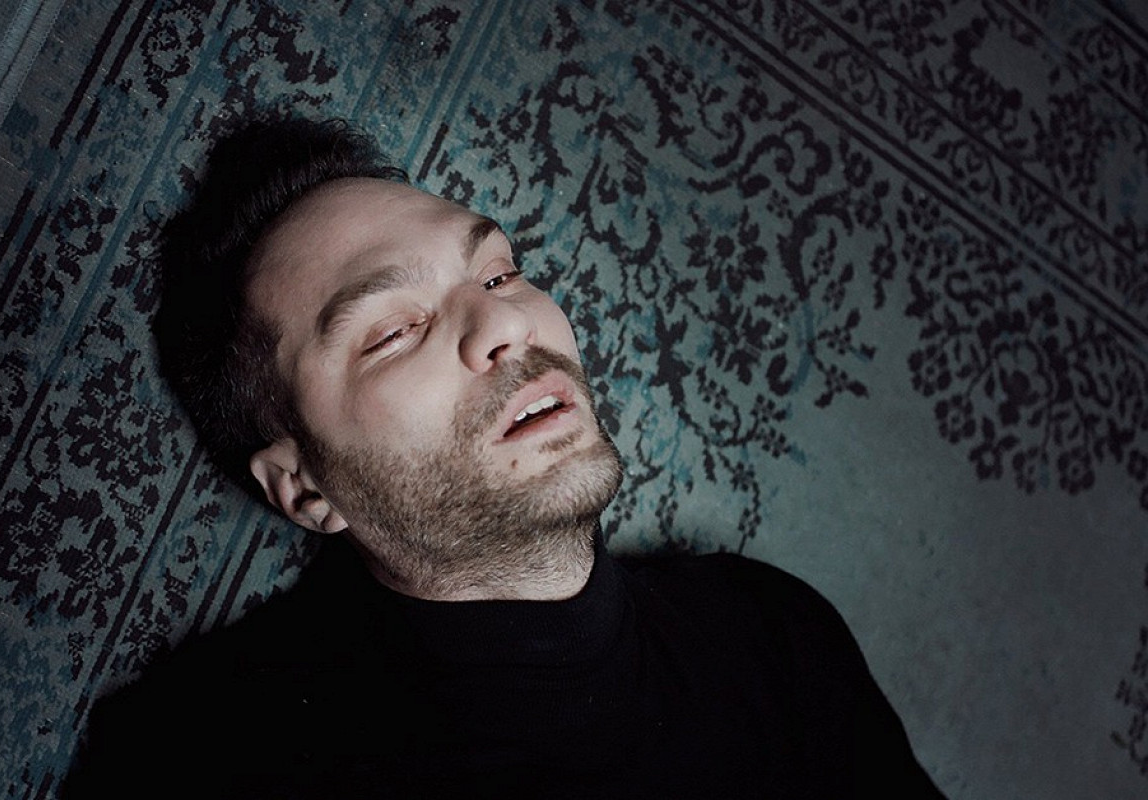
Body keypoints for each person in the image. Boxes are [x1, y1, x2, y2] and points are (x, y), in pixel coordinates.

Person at [61, 116, 946, 798]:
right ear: (304, 487)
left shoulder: (772, 635)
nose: (506, 324)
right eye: (394, 332)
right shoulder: (200, 764)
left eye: (498, 273)